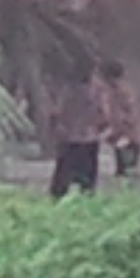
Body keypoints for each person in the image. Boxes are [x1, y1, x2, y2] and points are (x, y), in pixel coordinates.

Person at [49, 64, 103, 198]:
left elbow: (55, 113)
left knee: (62, 179)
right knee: (88, 181)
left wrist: (56, 130)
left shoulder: (67, 92)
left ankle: (57, 200)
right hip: (89, 138)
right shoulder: (94, 93)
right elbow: (102, 114)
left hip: (69, 139)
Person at [96, 62, 140, 179]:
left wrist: (123, 129)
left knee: (126, 173)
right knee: (124, 172)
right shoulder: (111, 90)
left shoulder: (120, 91)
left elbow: (130, 113)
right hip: (123, 135)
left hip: (127, 136)